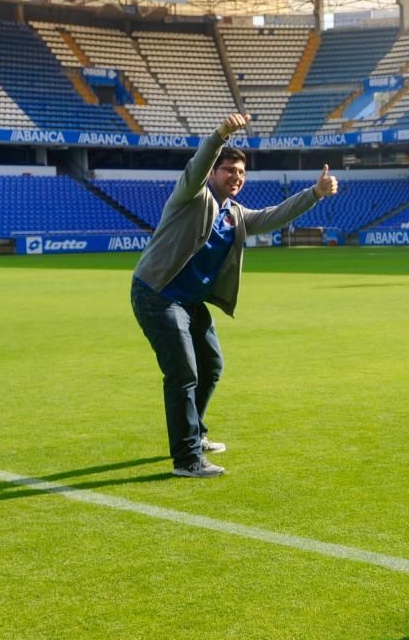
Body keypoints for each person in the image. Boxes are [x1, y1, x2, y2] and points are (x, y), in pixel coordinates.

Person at [131, 113, 338, 478]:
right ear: (213, 173)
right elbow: (197, 166)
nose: (236, 177)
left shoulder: (236, 214)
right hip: (157, 293)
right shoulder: (191, 196)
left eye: (241, 172)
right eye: (228, 169)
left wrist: (315, 194)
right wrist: (220, 136)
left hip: (189, 301)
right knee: (183, 372)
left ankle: (196, 432)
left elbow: (274, 216)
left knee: (211, 366)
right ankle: (187, 458)